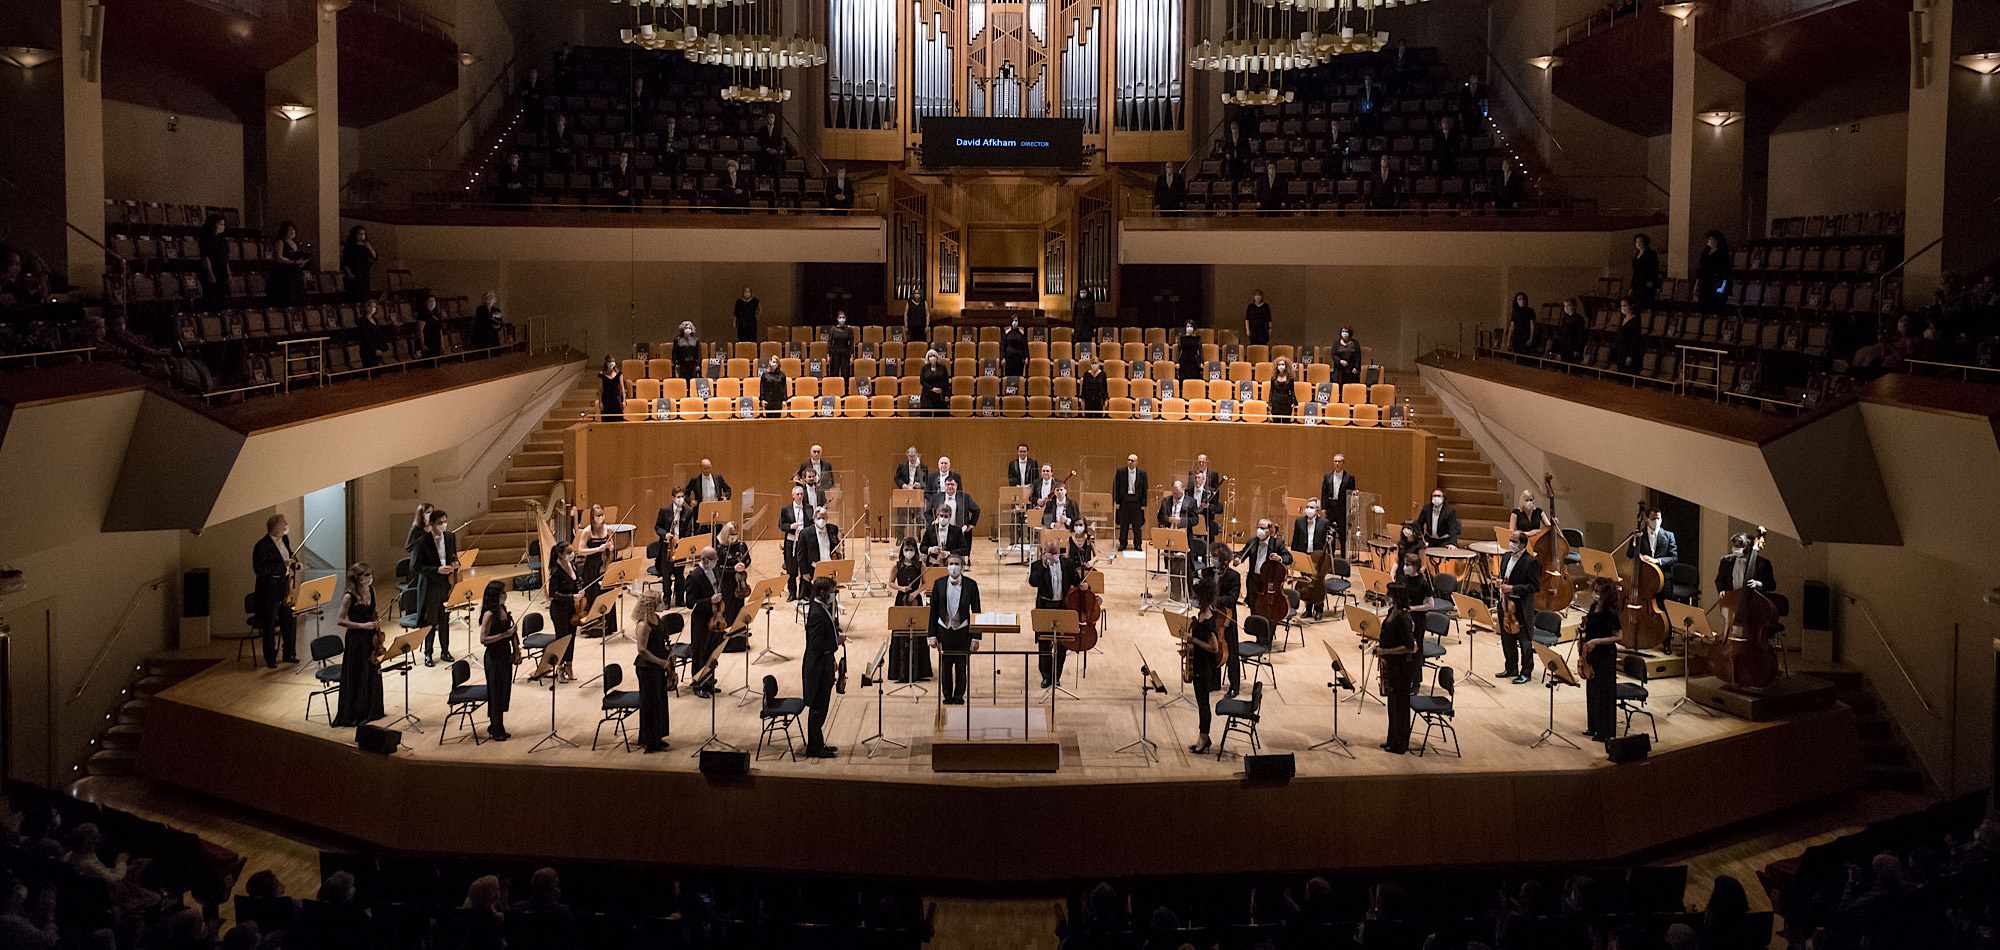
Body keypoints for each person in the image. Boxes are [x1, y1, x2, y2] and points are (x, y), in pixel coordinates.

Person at [331, 562, 385, 727]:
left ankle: (372, 710)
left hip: (370, 638)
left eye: (370, 574)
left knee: (371, 672)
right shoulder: (349, 596)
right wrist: (363, 626)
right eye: (366, 575)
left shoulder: (372, 590)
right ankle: (356, 712)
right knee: (359, 673)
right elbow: (340, 621)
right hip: (356, 640)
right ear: (358, 578)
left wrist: (376, 621)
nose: (370, 578)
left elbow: (373, 611)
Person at [801, 577, 846, 757]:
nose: (833, 595)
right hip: (817, 668)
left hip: (825, 663)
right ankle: (814, 747)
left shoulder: (821, 608)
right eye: (832, 592)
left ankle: (819, 743)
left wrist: (831, 658)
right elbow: (816, 643)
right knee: (818, 708)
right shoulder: (816, 614)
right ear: (822, 593)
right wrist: (836, 642)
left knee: (823, 706)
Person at [928, 555, 979, 704]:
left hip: (963, 630)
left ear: (962, 566)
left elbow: (976, 611)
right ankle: (947, 696)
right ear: (947, 565)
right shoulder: (938, 584)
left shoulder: (971, 585)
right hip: (944, 630)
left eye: (957, 564)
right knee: (946, 667)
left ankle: (959, 696)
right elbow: (933, 611)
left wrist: (976, 637)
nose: (953, 566)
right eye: (951, 563)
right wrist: (932, 634)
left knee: (961, 667)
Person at [1028, 542, 1081, 688]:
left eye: (1054, 553)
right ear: (1043, 552)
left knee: (1062, 644)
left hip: (1062, 606)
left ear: (1059, 552)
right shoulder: (1037, 565)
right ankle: (1046, 676)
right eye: (1048, 553)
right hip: (1045, 607)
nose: (1051, 556)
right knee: (1044, 644)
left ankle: (1057, 676)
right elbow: (1033, 582)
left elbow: (1076, 579)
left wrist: (1083, 584)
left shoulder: (1067, 564)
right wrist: (1044, 565)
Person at [251, 513, 300, 668]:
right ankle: (270, 658)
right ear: (277, 527)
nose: (286, 526)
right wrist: (283, 566)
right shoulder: (261, 546)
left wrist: (294, 564)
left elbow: (289, 555)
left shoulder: (284, 539)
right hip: (269, 590)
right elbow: (260, 569)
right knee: (269, 624)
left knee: (289, 620)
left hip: (284, 587)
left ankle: (289, 654)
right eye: (284, 524)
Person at [1184, 578, 1226, 755]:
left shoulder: (1208, 622)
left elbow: (1214, 647)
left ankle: (1204, 738)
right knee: (1201, 703)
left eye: (1195, 596)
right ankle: (1202, 737)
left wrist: (1194, 640)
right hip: (1198, 664)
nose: (1193, 598)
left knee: (1203, 704)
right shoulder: (1201, 616)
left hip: (1205, 669)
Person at [1377, 579, 1420, 754]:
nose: (1387, 597)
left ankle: (1400, 744)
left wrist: (1386, 650)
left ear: (1396, 597)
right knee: (1392, 705)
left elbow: (1408, 647)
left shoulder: (1404, 617)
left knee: (1400, 707)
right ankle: (1391, 739)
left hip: (1402, 668)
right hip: (1391, 665)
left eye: (1389, 594)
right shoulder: (1391, 612)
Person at [1494, 531, 1542, 684]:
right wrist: (1499, 582)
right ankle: (1511, 668)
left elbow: (1535, 586)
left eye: (1514, 541)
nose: (1511, 543)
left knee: (1524, 641)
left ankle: (1526, 672)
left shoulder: (1531, 561)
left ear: (1523, 544)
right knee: (1507, 638)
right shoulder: (1506, 556)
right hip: (1505, 604)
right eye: (1510, 540)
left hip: (1521, 607)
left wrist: (1513, 588)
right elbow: (1503, 575)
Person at [1579, 577, 1622, 740]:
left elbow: (1618, 636)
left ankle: (1605, 732)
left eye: (1597, 591)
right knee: (1593, 691)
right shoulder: (1593, 607)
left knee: (1604, 694)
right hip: (1592, 655)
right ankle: (1593, 727)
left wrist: (1597, 641)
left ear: (1606, 594)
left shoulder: (1610, 613)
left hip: (1605, 656)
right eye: (1594, 590)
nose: (1594, 594)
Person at [476, 580, 517, 740]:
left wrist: (512, 632)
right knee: (495, 692)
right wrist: (503, 635)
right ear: (495, 596)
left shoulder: (503, 609)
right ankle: (495, 728)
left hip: (505, 653)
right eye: (503, 593)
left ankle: (497, 725)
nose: (505, 595)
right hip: (493, 657)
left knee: (504, 690)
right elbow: (483, 639)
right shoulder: (489, 615)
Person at [684, 546, 726, 698]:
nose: (715, 562)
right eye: (713, 560)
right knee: (699, 654)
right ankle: (698, 685)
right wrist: (710, 601)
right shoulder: (694, 577)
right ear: (703, 559)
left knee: (711, 653)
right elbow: (690, 603)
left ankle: (708, 683)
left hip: (715, 619)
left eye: (716, 559)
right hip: (701, 622)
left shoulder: (714, 571)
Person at [545, 542, 580, 683]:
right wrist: (572, 596)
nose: (572, 554)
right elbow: (553, 593)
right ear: (560, 554)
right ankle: (559, 669)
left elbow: (576, 583)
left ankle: (569, 666)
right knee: (562, 638)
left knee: (571, 637)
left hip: (572, 608)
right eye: (569, 552)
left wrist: (579, 592)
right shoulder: (555, 570)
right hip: (559, 609)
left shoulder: (573, 565)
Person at [1292, 500, 1333, 620]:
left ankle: (1319, 608)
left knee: (1318, 583)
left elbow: (1330, 541)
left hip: (1318, 558)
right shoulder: (1299, 521)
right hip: (1305, 556)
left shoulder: (1324, 523)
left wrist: (1330, 543)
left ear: (1317, 510)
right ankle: (1308, 609)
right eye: (1307, 507)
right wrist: (1295, 556)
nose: (1309, 509)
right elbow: (1295, 539)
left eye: (1312, 507)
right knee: (1306, 583)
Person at [653, 487, 693, 606]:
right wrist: (666, 535)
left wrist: (683, 541)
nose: (681, 499)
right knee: (666, 576)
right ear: (673, 498)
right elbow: (657, 527)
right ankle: (666, 599)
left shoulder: (688, 512)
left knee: (680, 575)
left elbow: (689, 529)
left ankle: (680, 598)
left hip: (680, 547)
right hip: (667, 547)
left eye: (682, 497)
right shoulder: (665, 511)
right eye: (678, 497)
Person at [1319, 454, 1356, 557]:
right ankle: (1330, 555)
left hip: (1342, 508)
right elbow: (1324, 493)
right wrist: (1324, 507)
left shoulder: (1349, 478)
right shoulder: (1327, 477)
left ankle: (1343, 556)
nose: (1337, 463)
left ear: (1343, 463)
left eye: (1339, 461)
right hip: (1331, 507)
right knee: (1330, 533)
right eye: (1335, 461)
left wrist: (1350, 509)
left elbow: (1351, 495)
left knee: (1343, 534)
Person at [1717, 530, 1775, 595]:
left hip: (1754, 600)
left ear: (1747, 547)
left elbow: (1771, 585)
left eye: (1738, 546)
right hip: (1732, 600)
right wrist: (1721, 590)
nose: (1735, 548)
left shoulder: (1763, 563)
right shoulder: (1726, 560)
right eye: (1735, 546)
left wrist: (1758, 584)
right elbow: (1719, 580)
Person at [1111, 454, 1148, 552]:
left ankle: (1138, 544)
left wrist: (1144, 503)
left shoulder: (1142, 474)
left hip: (1136, 501)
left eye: (1132, 460)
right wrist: (1116, 502)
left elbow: (1145, 489)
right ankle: (1123, 544)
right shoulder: (1120, 472)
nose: (1130, 462)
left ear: (1137, 462)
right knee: (1124, 524)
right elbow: (1116, 487)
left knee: (1137, 525)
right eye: (1129, 460)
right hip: (1124, 501)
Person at [269, 221, 308, 307]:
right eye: (290, 230)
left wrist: (302, 261)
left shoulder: (295, 244)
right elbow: (278, 258)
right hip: (284, 272)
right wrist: (294, 262)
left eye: (293, 230)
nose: (292, 232)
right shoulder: (280, 242)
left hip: (295, 272)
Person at [197, 213, 231, 310]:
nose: (222, 226)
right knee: (212, 298)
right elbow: (205, 257)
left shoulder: (222, 240)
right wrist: (210, 273)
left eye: (223, 224)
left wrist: (228, 273)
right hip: (213, 270)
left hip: (222, 271)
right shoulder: (206, 239)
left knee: (222, 298)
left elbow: (225, 258)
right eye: (220, 224)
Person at [340, 225, 377, 303]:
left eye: (363, 234)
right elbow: (344, 262)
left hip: (364, 275)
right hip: (353, 274)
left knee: (364, 297)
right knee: (354, 297)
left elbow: (374, 256)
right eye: (359, 234)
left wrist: (369, 247)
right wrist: (349, 273)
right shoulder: (349, 246)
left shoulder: (365, 247)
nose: (361, 236)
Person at [1698, 230, 1732, 315]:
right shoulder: (1705, 253)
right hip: (1704, 283)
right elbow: (1701, 268)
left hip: (1716, 282)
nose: (1710, 242)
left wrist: (1722, 286)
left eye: (1712, 239)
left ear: (1717, 240)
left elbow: (1725, 272)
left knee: (1715, 307)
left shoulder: (1723, 254)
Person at [1613, 297, 1645, 374]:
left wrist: (1630, 355)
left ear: (1631, 306)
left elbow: (1635, 339)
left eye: (1625, 305)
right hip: (1621, 351)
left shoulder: (1636, 320)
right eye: (1621, 306)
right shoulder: (1622, 319)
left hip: (1629, 352)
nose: (1623, 308)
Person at [356, 299, 392, 368]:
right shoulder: (361, 321)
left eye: (374, 307)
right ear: (366, 308)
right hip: (367, 350)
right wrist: (374, 350)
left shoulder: (375, 319)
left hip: (377, 349)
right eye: (371, 306)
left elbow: (378, 334)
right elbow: (365, 338)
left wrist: (381, 348)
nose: (373, 308)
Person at [1630, 233, 1661, 305]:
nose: (1638, 244)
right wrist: (1632, 286)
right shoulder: (1637, 254)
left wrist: (1652, 281)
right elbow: (1635, 272)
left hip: (1647, 283)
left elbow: (1655, 269)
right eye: (1637, 242)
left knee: (1646, 303)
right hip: (1637, 283)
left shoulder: (1651, 253)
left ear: (1645, 242)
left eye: (1640, 241)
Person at [1555, 298, 1588, 363]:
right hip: (1564, 348)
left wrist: (1577, 349)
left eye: (1568, 306)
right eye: (1565, 306)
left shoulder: (1579, 319)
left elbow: (1581, 336)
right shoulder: (1564, 318)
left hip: (1573, 348)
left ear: (1574, 306)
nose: (1566, 308)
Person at [919, 350, 951, 416]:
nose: (932, 357)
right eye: (930, 356)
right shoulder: (924, 368)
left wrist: (947, 395)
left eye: (934, 356)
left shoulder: (943, 367)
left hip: (940, 395)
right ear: (928, 358)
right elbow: (922, 381)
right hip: (927, 395)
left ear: (937, 357)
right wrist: (932, 389)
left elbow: (946, 381)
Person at [828, 311, 856, 379]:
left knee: (845, 373)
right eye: (840, 318)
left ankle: (845, 389)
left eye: (843, 317)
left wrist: (852, 356)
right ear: (837, 319)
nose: (842, 319)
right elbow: (830, 342)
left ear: (845, 318)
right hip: (835, 353)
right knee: (834, 373)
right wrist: (828, 355)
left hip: (845, 353)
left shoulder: (849, 330)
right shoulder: (833, 329)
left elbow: (851, 343)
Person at [1269, 356, 1297, 422]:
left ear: (1286, 366)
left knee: (1286, 423)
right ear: (1277, 366)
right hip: (1276, 402)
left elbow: (1292, 391)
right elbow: (1271, 391)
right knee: (1276, 424)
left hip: (1286, 402)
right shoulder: (1273, 378)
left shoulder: (1290, 378)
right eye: (1279, 364)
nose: (1281, 366)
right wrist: (1270, 403)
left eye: (1282, 364)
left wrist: (1293, 402)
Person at [598, 355, 625, 421]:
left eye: (613, 362)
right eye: (609, 362)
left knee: (618, 420)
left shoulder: (619, 374)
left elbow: (622, 388)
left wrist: (624, 400)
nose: (611, 364)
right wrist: (600, 402)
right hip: (606, 400)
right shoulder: (601, 375)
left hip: (617, 400)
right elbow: (600, 389)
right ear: (606, 363)